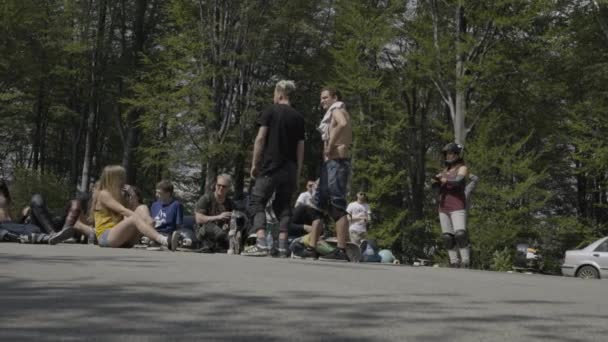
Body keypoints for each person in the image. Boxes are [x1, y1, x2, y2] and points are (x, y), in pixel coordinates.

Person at [243, 80, 305, 257]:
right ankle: (283, 246)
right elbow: (301, 147)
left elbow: (260, 139)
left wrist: (254, 164)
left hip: (271, 166)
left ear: (279, 94)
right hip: (290, 168)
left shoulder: (270, 111)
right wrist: (298, 170)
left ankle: (261, 242)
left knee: (256, 202)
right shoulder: (298, 117)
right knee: (283, 206)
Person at [309, 87, 353, 262]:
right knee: (318, 206)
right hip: (328, 165)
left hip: (337, 162)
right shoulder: (330, 114)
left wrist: (330, 145)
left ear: (335, 97)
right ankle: (312, 248)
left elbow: (342, 123)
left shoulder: (337, 110)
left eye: (325, 97)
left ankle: (341, 250)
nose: (322, 101)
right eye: (321, 98)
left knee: (336, 204)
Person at [91, 165, 169, 249]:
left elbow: (133, 209)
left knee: (142, 207)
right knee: (134, 218)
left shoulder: (119, 194)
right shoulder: (103, 194)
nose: (124, 180)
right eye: (121, 178)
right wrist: (141, 219)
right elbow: (123, 211)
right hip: (106, 237)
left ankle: (152, 237)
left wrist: (133, 195)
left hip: (121, 237)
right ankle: (163, 240)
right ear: (113, 179)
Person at [432, 142, 470, 268]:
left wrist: (444, 179)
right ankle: (453, 261)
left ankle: (465, 260)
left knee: (460, 234)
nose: (448, 156)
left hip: (457, 205)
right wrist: (435, 181)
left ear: (456, 155)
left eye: (450, 154)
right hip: (443, 206)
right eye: (446, 154)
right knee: (447, 237)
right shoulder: (444, 170)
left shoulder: (462, 168)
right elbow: (437, 187)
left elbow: (458, 181)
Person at [194, 174, 236, 253]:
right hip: (204, 232)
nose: (220, 188)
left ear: (228, 188)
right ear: (215, 185)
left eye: (224, 186)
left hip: (222, 233)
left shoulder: (230, 203)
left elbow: (234, 219)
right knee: (210, 226)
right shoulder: (206, 199)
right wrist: (218, 217)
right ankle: (229, 242)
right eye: (218, 185)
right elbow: (198, 219)